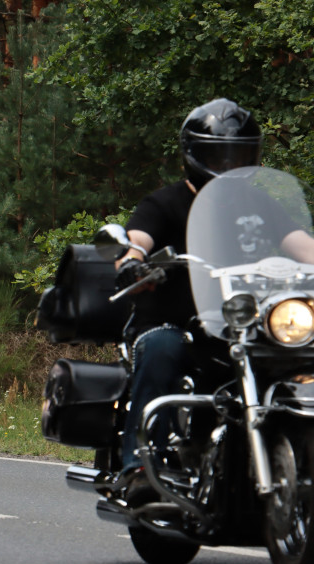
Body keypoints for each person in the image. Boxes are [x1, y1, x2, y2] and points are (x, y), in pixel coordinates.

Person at [113, 98, 264, 492]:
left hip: (244, 330)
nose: (231, 165)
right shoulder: (164, 203)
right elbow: (137, 240)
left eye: (240, 156)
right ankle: (139, 467)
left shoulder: (261, 205)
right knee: (163, 348)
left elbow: (301, 243)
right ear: (195, 155)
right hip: (175, 325)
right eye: (221, 156)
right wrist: (132, 260)